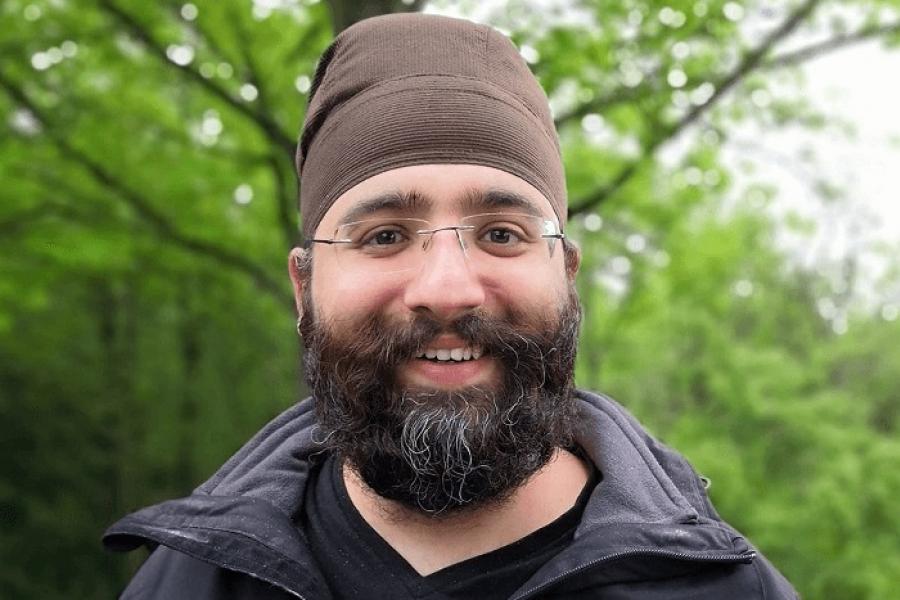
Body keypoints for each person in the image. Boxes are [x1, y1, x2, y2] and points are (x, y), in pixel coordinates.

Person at [104, 13, 797, 599]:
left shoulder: (724, 589)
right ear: (303, 288)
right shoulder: (188, 580)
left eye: (501, 233)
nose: (446, 287)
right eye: (383, 237)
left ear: (566, 275)